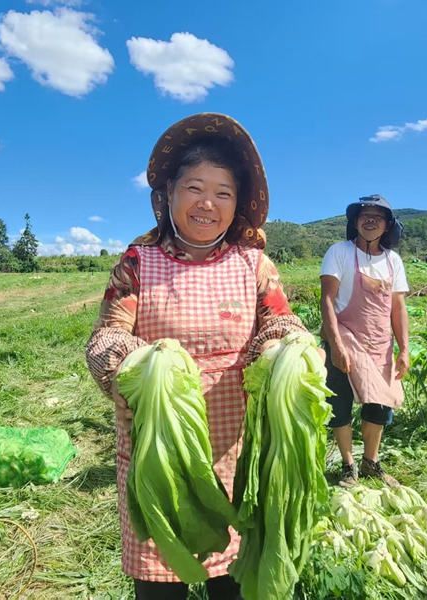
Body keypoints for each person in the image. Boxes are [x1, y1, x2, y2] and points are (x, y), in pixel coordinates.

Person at [85, 113, 313, 600]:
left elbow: (278, 320)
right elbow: (108, 334)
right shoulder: (136, 263)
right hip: (159, 453)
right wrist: (123, 370)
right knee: (160, 584)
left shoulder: (254, 264)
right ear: (168, 196)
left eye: (224, 192)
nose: (208, 203)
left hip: (235, 455)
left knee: (231, 585)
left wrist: (281, 349)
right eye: (194, 187)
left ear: (238, 206)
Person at [319, 195, 410, 488]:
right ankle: (348, 464)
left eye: (377, 216)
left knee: (380, 403)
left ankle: (371, 461)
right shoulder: (339, 252)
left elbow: (398, 308)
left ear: (387, 226)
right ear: (355, 222)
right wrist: (335, 343)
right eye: (364, 215)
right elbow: (327, 300)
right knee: (340, 401)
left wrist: (404, 349)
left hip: (380, 342)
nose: (370, 220)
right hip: (345, 336)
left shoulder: (393, 261)